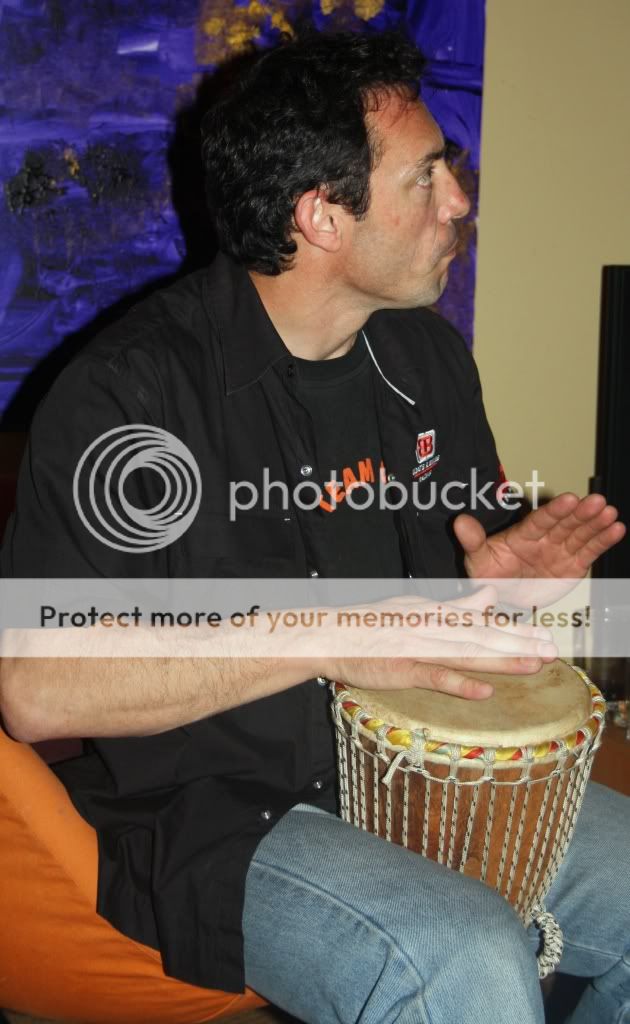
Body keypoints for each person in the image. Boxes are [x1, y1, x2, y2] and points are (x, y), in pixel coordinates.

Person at [1, 30, 628, 1024]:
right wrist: (334, 633)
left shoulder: (424, 359)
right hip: (220, 812)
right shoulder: (130, 393)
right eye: (425, 177)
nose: (458, 200)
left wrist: (483, 594)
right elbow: (36, 689)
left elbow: (426, 614)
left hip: (418, 770)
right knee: (462, 957)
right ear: (322, 216)